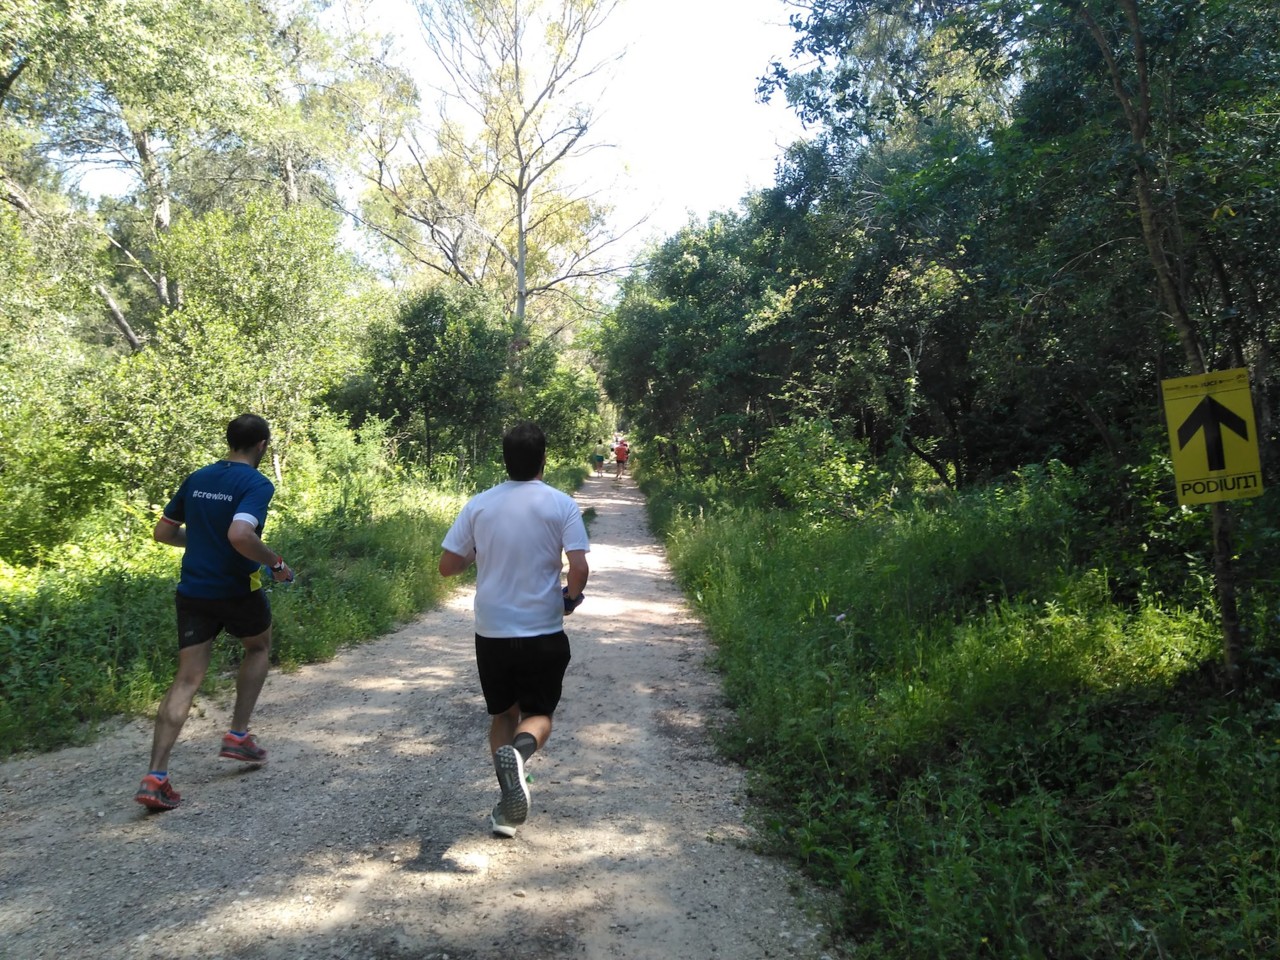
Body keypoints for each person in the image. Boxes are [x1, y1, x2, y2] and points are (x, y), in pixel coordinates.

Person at [134, 414, 295, 811]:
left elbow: (164, 533)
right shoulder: (256, 483)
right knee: (257, 648)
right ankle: (238, 735)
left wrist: (203, 542)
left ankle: (156, 777)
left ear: (230, 441)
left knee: (187, 679)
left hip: (194, 590)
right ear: (262, 445)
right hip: (236, 589)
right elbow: (241, 535)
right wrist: (275, 563)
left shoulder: (198, 477)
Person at [438, 421, 590, 838]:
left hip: (492, 632)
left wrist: (478, 553)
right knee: (538, 713)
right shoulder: (561, 504)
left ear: (505, 460)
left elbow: (448, 566)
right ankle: (520, 760)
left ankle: (508, 802)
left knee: (503, 713)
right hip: (543, 628)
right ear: (544, 459)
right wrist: (570, 600)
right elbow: (578, 568)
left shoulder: (480, 505)